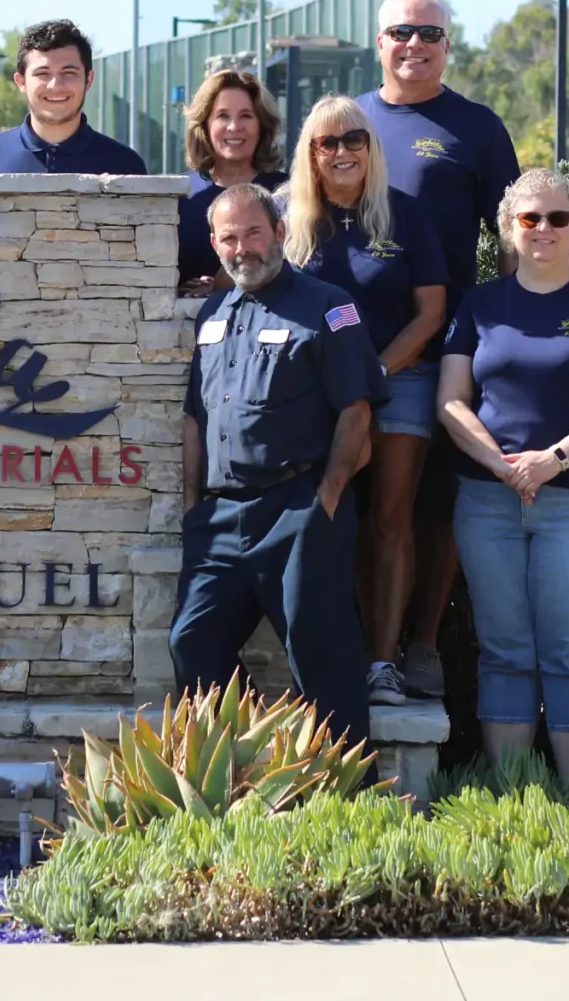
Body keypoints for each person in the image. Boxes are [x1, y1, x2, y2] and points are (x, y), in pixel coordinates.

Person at [436, 168, 569, 779]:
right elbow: (451, 401)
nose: (544, 229)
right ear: (509, 228)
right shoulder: (479, 304)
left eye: (558, 217)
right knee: (503, 649)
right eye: (530, 218)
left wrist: (551, 460)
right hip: (489, 500)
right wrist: (499, 464)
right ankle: (513, 796)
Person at [171, 183, 386, 748]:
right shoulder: (212, 314)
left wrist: (326, 498)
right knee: (192, 641)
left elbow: (357, 411)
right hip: (220, 517)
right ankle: (238, 768)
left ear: (280, 233)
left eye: (254, 233)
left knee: (320, 655)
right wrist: (192, 509)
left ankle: (342, 786)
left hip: (298, 507)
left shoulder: (328, 306)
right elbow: (195, 418)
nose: (242, 248)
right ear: (214, 244)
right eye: (229, 238)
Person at [356, 0, 520, 700]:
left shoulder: (477, 128)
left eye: (429, 34)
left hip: (442, 351)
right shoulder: (348, 121)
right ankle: (366, 648)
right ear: (380, 41)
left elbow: (513, 238)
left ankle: (419, 645)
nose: (414, 45)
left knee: (433, 507)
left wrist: (512, 329)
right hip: (348, 349)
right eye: (402, 31)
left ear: (448, 46)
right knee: (357, 507)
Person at [279, 94, 447, 706]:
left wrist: (373, 374)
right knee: (324, 515)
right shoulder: (286, 215)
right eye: (327, 142)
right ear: (311, 153)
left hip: (398, 379)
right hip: (313, 390)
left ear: (371, 148)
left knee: (391, 520)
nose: (342, 151)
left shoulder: (405, 214)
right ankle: (328, 657)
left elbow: (431, 314)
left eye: (354, 139)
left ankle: (382, 662)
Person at [0, 19, 146, 175]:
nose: (55, 86)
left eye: (69, 73)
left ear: (88, 80)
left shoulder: (126, 165)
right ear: (21, 82)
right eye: (43, 73)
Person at [177, 69, 284, 292]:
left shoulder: (286, 192)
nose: (234, 127)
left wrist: (222, 288)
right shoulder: (180, 195)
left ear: (262, 125)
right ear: (204, 125)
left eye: (246, 115)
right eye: (223, 116)